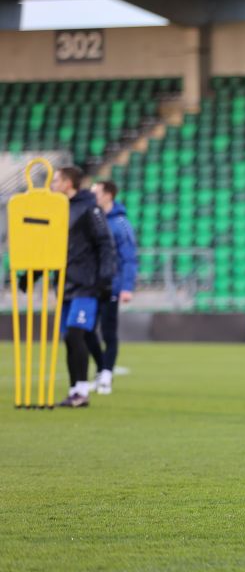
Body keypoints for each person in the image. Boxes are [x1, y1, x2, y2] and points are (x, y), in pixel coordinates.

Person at [49, 166, 117, 408]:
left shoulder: (90, 208)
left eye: (56, 180)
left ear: (68, 183)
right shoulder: (58, 209)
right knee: (69, 338)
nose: (52, 185)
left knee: (76, 334)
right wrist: (33, 275)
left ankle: (81, 391)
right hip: (65, 285)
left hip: (86, 284)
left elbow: (105, 243)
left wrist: (105, 278)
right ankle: (75, 390)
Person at [85, 180, 138, 395]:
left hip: (112, 286)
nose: (92, 196)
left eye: (96, 192)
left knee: (108, 331)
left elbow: (129, 257)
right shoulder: (91, 218)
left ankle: (106, 374)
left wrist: (126, 286)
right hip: (90, 284)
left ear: (108, 195)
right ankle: (102, 368)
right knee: (86, 330)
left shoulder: (121, 223)